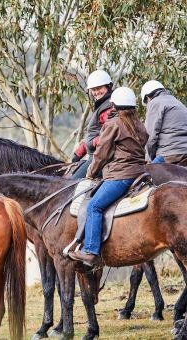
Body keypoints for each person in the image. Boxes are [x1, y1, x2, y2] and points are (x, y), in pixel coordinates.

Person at [69, 87, 148, 266]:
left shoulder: (113, 124)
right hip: (140, 173)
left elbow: (101, 154)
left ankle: (90, 251)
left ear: (114, 105)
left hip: (120, 176)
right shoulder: (139, 124)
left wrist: (91, 172)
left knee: (94, 207)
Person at [71, 69, 113, 179]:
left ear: (108, 87)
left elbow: (108, 135)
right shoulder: (103, 105)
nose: (96, 92)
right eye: (93, 90)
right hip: (97, 153)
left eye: (99, 88)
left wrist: (92, 142)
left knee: (73, 182)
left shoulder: (108, 108)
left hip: (102, 156)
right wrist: (79, 153)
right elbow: (95, 134)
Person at [141, 80, 187, 164]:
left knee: (147, 173)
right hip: (184, 152)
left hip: (169, 154)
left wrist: (149, 159)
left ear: (147, 97)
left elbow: (150, 137)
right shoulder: (177, 102)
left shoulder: (154, 103)